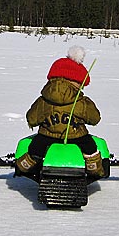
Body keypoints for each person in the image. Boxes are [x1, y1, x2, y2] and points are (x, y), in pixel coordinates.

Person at [16, 46, 104, 177]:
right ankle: (94, 169)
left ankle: (26, 165)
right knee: (90, 146)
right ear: (77, 82)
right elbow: (95, 118)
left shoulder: (44, 100)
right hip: (77, 137)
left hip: (47, 136)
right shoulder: (81, 102)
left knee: (36, 147)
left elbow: (32, 118)